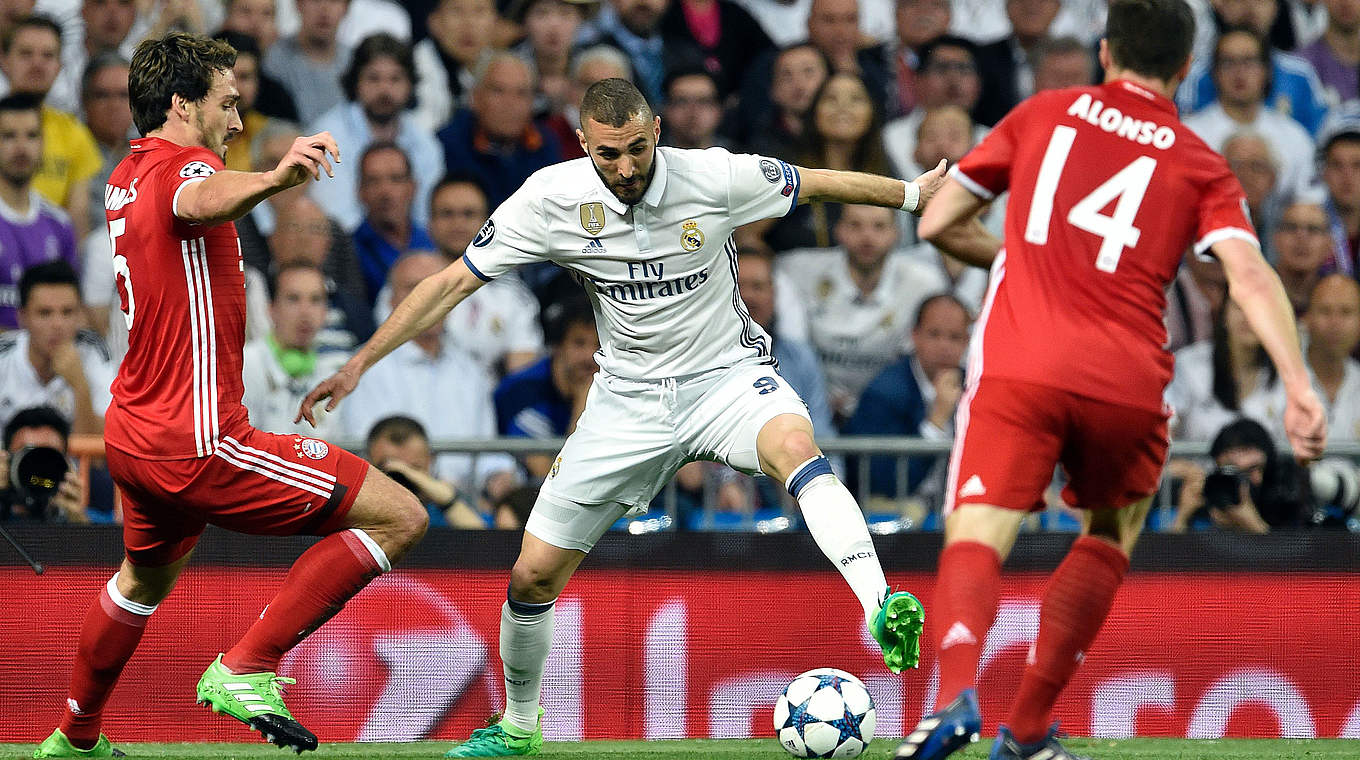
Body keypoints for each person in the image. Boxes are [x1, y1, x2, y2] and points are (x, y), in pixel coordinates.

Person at [300, 76, 953, 756]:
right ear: (584, 144)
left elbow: (813, 182)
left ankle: (880, 604)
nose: (626, 168)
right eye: (608, 154)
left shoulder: (714, 176)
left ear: (658, 133)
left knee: (795, 445)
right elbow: (450, 283)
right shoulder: (551, 200)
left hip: (726, 378)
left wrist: (911, 195)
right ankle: (519, 727)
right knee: (531, 575)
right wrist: (360, 364)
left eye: (637, 150)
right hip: (626, 404)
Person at [901, 2, 1326, 760]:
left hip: (1023, 363)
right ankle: (1027, 729)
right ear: (1186, 71)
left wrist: (1021, 258)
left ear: (1106, 53)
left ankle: (951, 697)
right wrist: (1297, 383)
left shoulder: (1042, 114)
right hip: (1128, 379)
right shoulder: (1200, 160)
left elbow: (935, 224)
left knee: (979, 533)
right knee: (1113, 530)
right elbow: (1250, 274)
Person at [33, 32, 428, 758]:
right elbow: (200, 198)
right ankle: (248, 664)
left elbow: (188, 202)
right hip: (200, 439)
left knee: (139, 587)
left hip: (136, 432)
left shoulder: (127, 170)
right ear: (182, 105)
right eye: (227, 103)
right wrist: (276, 181)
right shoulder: (184, 166)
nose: (238, 122)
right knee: (401, 516)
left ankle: (74, 737)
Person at [0, 261, 114, 436]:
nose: (57, 324)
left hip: (72, 464)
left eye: (67, 312)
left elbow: (99, 455)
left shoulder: (94, 352)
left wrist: (80, 386)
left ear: (80, 315)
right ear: (22, 317)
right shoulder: (3, 356)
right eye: (45, 313)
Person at [494, 296, 600, 480]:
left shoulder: (613, 385)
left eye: (599, 345)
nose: (589, 356)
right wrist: (583, 404)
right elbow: (551, 475)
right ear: (558, 347)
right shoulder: (522, 390)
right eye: (579, 343)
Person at [239, 263, 349, 439]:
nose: (305, 312)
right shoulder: (244, 365)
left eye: (315, 300)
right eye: (293, 299)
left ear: (325, 311)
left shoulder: (333, 372)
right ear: (271, 308)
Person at [0, 92, 78, 331]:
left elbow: (72, 307)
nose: (22, 148)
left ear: (42, 143)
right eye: (9, 136)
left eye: (32, 136)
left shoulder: (60, 224)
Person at [0, 404, 88, 523]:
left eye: (48, 457)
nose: (38, 467)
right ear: (6, 461)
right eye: (28, 456)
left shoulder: (91, 522)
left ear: (67, 464)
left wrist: (78, 523)